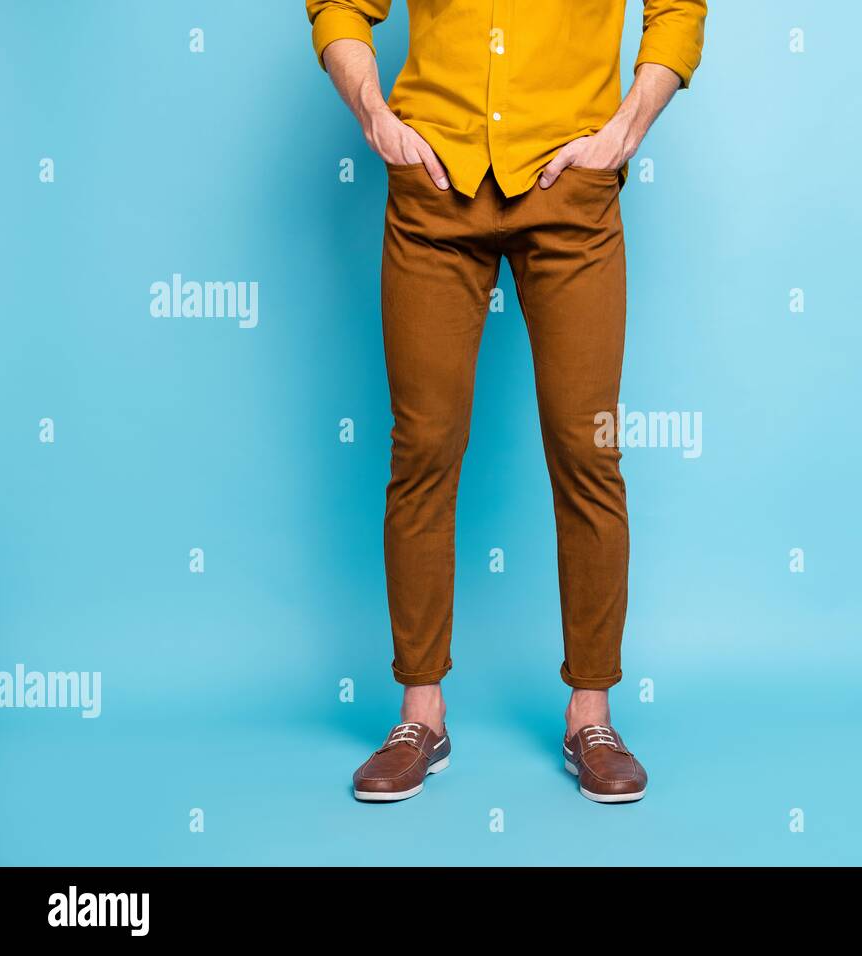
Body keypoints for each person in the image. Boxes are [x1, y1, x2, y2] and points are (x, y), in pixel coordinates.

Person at [304, 0, 706, 803]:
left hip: (572, 192)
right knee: (423, 447)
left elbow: (678, 9)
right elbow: (339, 6)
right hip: (434, 191)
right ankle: (421, 713)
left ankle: (591, 713)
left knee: (587, 449)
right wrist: (376, 116)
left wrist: (624, 131)